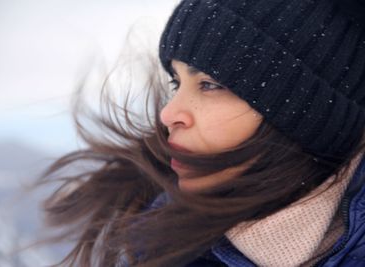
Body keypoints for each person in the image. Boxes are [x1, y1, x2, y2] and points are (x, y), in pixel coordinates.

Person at [41, 0, 365, 266]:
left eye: (210, 85)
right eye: (176, 83)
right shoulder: (162, 244)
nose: (169, 115)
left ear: (305, 108)